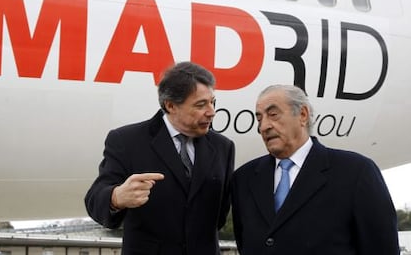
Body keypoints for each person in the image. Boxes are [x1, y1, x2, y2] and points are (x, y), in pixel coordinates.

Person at [85, 61, 235, 255]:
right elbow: (95, 200)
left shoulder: (223, 147)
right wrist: (116, 197)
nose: (212, 112)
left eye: (212, 102)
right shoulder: (126, 141)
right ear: (171, 105)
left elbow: (220, 215)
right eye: (201, 105)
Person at [231, 84, 400, 255]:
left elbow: (382, 247)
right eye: (259, 118)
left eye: (273, 115)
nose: (264, 126)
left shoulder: (356, 172)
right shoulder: (244, 179)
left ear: (303, 115)